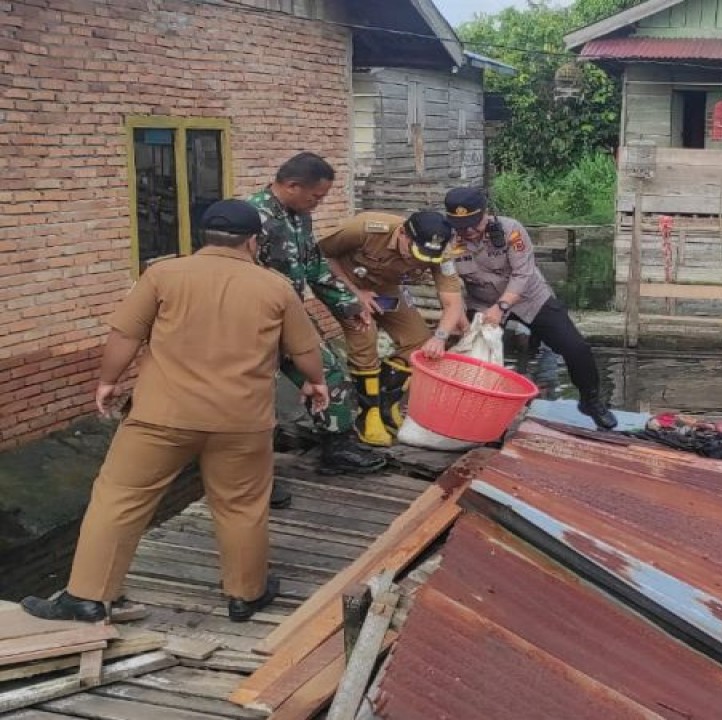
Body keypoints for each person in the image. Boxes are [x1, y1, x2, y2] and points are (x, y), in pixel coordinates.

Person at [21, 200, 328, 623]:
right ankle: (246, 594)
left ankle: (87, 597)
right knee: (241, 505)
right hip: (241, 421)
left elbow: (125, 334)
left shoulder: (163, 274)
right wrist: (316, 382)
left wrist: (108, 381)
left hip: (160, 417)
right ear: (253, 241)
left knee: (119, 499)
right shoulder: (275, 287)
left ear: (205, 236)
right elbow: (305, 348)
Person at [247, 153, 385, 475]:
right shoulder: (252, 218)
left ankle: (338, 447)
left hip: (291, 318)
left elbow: (315, 268)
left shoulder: (299, 216)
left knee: (328, 373)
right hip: (255, 324)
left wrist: (348, 305)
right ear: (293, 186)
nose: (318, 204)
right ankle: (254, 472)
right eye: (316, 197)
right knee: (255, 396)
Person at [441, 186, 617, 430]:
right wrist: (459, 316)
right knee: (472, 353)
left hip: (530, 297)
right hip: (482, 302)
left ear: (486, 213)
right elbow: (448, 284)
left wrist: (502, 307)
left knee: (575, 347)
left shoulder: (511, 230)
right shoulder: (447, 241)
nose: (469, 231)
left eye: (474, 223)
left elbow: (522, 273)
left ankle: (591, 400)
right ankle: (474, 408)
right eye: (462, 226)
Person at [318, 210, 468, 445]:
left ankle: (386, 406)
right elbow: (322, 256)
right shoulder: (365, 229)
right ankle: (367, 414)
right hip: (344, 285)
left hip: (386, 288)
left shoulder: (441, 253)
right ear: (402, 233)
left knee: (419, 342)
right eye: (416, 252)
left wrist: (440, 337)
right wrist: (355, 293)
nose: (421, 260)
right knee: (365, 336)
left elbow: (452, 302)